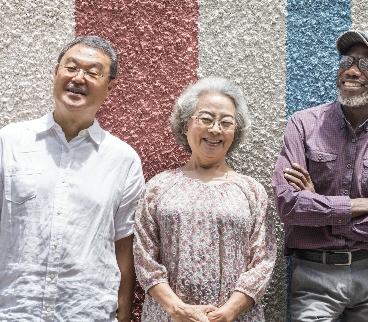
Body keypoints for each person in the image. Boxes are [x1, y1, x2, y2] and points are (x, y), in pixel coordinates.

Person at [272, 30, 368, 321]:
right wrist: (361, 206)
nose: (352, 70)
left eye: (367, 65)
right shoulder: (303, 125)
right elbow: (288, 206)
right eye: (347, 61)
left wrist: (319, 209)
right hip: (314, 275)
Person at [0, 36, 144, 321]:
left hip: (87, 312)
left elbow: (123, 249)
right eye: (71, 67)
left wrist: (124, 314)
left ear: (110, 87)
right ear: (56, 73)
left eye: (92, 72)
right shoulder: (9, 142)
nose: (79, 78)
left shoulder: (123, 160)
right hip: (15, 309)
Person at [134, 77, 276, 322]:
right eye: (206, 119)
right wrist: (178, 309)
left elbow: (263, 260)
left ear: (235, 131)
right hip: (168, 316)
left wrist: (229, 311)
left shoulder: (251, 191)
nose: (215, 129)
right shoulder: (158, 187)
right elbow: (144, 257)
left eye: (226, 122)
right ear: (186, 125)